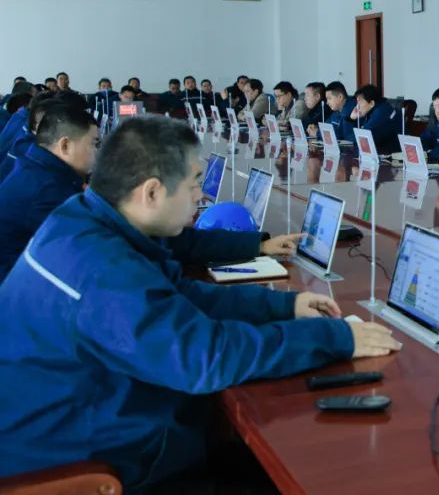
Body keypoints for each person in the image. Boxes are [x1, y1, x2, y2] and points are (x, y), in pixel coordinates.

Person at [0, 117, 402, 490]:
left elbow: (180, 295)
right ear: (151, 192)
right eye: (194, 183)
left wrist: (284, 306)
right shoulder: (102, 271)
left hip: (86, 419)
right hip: (87, 457)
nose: (199, 195)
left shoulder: (83, 219)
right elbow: (208, 358)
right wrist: (336, 339)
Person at [0, 99, 99, 282]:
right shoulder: (47, 190)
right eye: (94, 144)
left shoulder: (37, 166)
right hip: (12, 281)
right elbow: (86, 244)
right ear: (65, 145)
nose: (97, 152)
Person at [352, 84, 396, 153]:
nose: (357, 106)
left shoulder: (381, 112)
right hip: (383, 151)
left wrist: (351, 119)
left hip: (392, 155)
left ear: (371, 103)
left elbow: (362, 139)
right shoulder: (375, 109)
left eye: (360, 102)